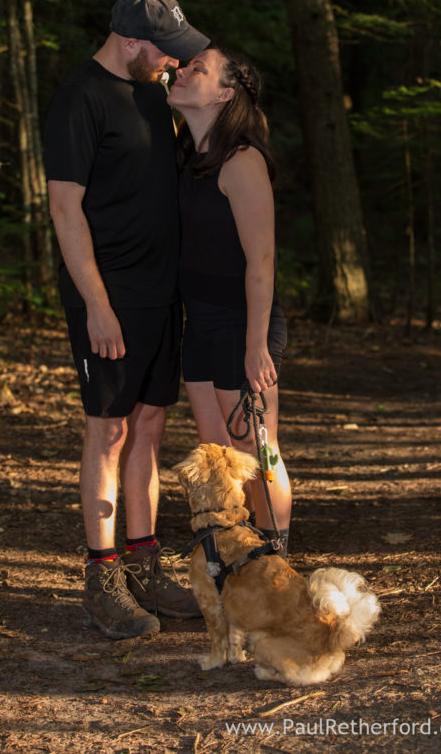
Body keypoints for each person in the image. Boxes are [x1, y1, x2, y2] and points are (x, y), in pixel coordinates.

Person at [43, 0, 210, 640]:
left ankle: (144, 563)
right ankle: (102, 575)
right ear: (133, 41)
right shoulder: (79, 101)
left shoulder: (153, 93)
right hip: (108, 297)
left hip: (161, 294)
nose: (173, 62)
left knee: (147, 426)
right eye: (165, 52)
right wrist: (97, 306)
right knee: (107, 433)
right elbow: (65, 210)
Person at [167, 46, 292, 554]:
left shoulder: (243, 162)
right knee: (218, 454)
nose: (183, 69)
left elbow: (262, 262)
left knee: (258, 452)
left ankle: (275, 560)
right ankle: (233, 558)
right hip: (198, 321)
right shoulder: (185, 156)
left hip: (244, 324)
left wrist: (256, 345)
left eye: (199, 67)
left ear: (225, 93)